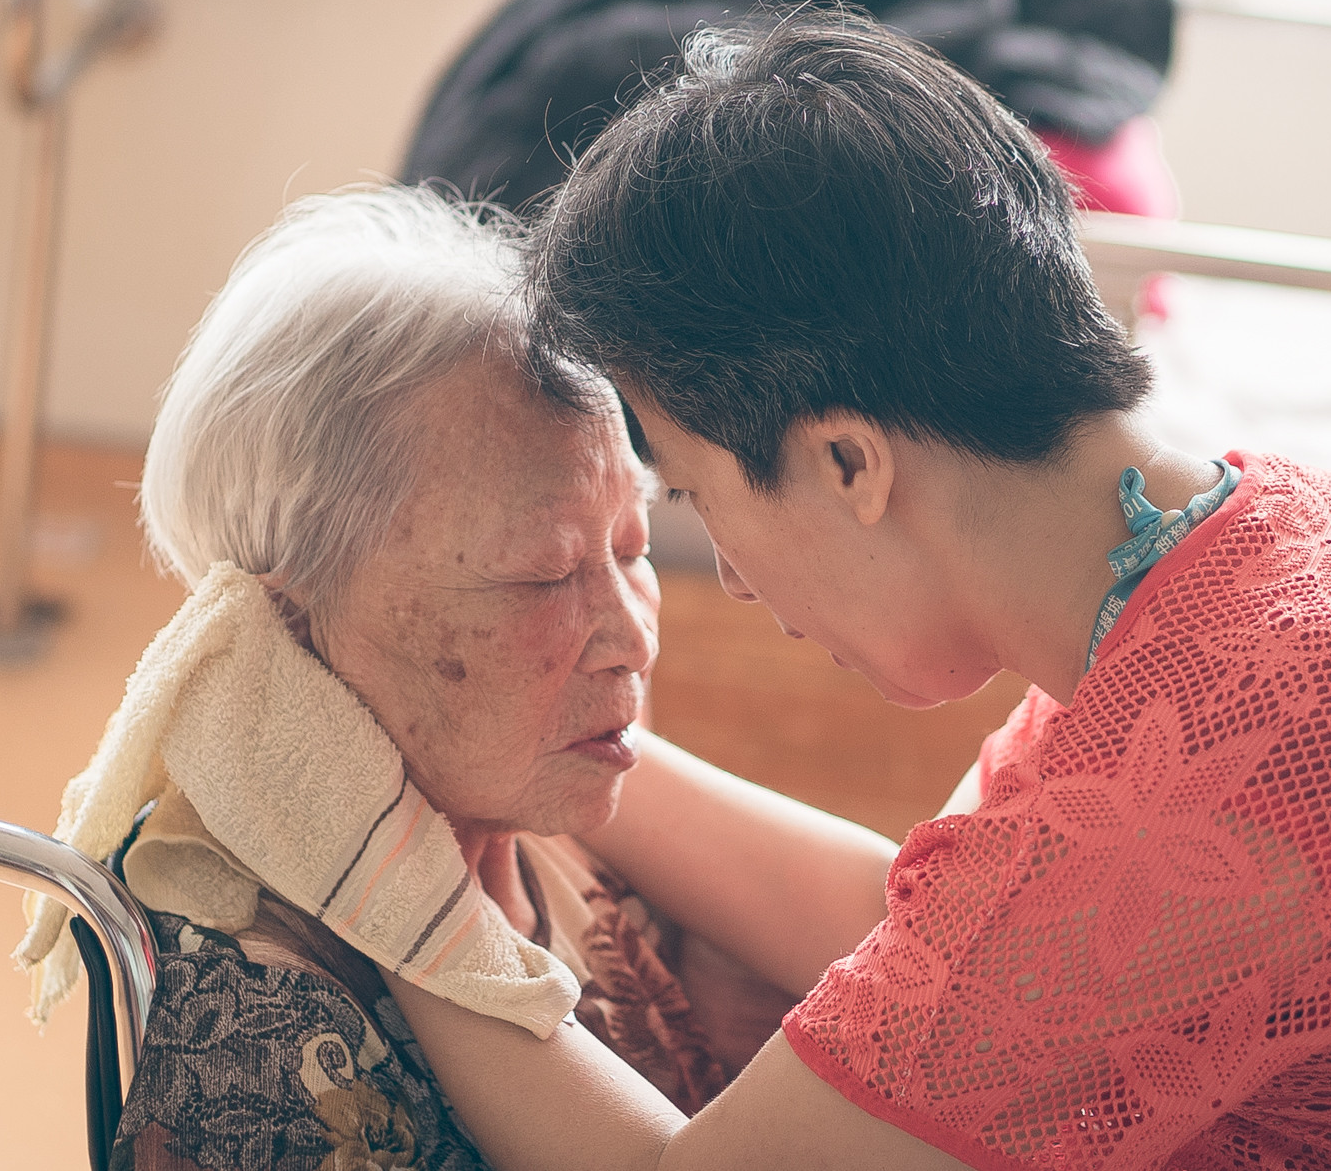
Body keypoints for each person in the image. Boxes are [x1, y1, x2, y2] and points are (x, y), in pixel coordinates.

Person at [367, 6, 1331, 1171]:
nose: (728, 575)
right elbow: (928, 937)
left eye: (694, 495)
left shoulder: (1199, 791)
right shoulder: (1271, 539)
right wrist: (556, 737)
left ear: (847, 458)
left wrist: (385, 874)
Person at [84, 187, 852, 1170]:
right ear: (286, 623)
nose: (631, 636)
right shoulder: (259, 1039)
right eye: (540, 572)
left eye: (633, 545)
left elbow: (904, 938)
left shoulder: (544, 795)